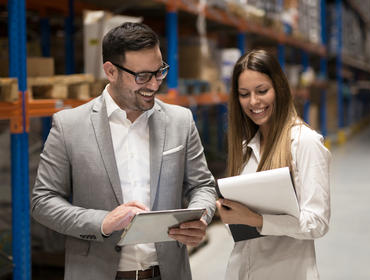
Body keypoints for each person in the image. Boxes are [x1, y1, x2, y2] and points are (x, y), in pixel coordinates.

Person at [31, 22, 217, 280]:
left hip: (166, 272)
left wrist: (202, 217)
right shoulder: (69, 125)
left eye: (159, 71)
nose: (154, 85)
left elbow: (203, 186)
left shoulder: (180, 121)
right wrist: (102, 222)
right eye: (142, 76)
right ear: (111, 71)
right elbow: (43, 201)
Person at [216, 49, 331, 280]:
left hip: (288, 272)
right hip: (242, 270)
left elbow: (317, 223)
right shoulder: (245, 148)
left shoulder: (305, 143)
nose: (254, 102)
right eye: (244, 94)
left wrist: (255, 220)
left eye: (262, 91)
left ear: (279, 89)